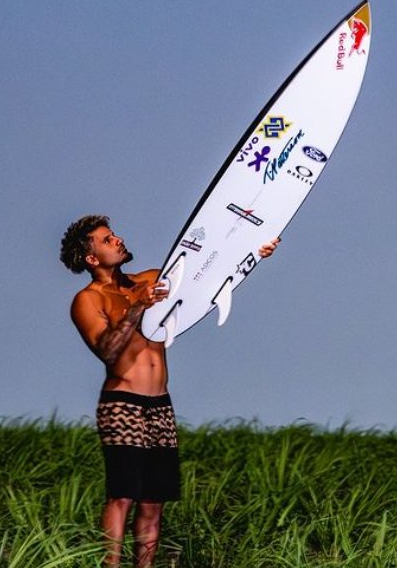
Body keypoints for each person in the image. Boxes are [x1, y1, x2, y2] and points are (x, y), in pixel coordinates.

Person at [60, 214, 278, 567]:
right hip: (122, 404)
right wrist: (136, 307)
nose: (117, 240)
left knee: (153, 499)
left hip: (160, 404)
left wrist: (253, 252)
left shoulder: (148, 280)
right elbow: (107, 351)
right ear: (91, 258)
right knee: (123, 495)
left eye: (115, 234)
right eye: (106, 239)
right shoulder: (88, 299)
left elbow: (205, 274)